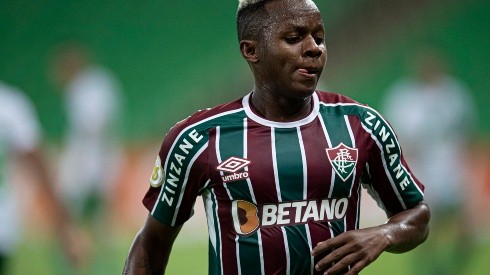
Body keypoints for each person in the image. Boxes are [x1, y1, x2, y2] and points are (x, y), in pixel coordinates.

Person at [123, 0, 430, 274]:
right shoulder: (198, 139)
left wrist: (383, 234)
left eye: (319, 38)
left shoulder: (361, 126)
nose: (313, 48)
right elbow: (151, 247)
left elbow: (417, 215)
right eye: (294, 38)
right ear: (251, 50)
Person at [383, 49, 475, 274]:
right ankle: (429, 266)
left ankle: (454, 265)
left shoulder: (454, 93)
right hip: (423, 168)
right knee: (427, 222)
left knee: (465, 221)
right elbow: (395, 134)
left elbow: (466, 128)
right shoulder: (404, 97)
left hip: (451, 165)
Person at [0, 81, 82, 273]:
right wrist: (65, 230)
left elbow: (39, 170)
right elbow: (40, 171)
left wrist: (64, 229)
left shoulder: (10, 108)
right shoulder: (10, 106)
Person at [49, 42, 122, 227]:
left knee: (82, 200)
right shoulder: (83, 85)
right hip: (91, 149)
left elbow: (95, 123)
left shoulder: (90, 85)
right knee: (83, 201)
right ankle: (83, 240)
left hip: (92, 150)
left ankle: (83, 240)